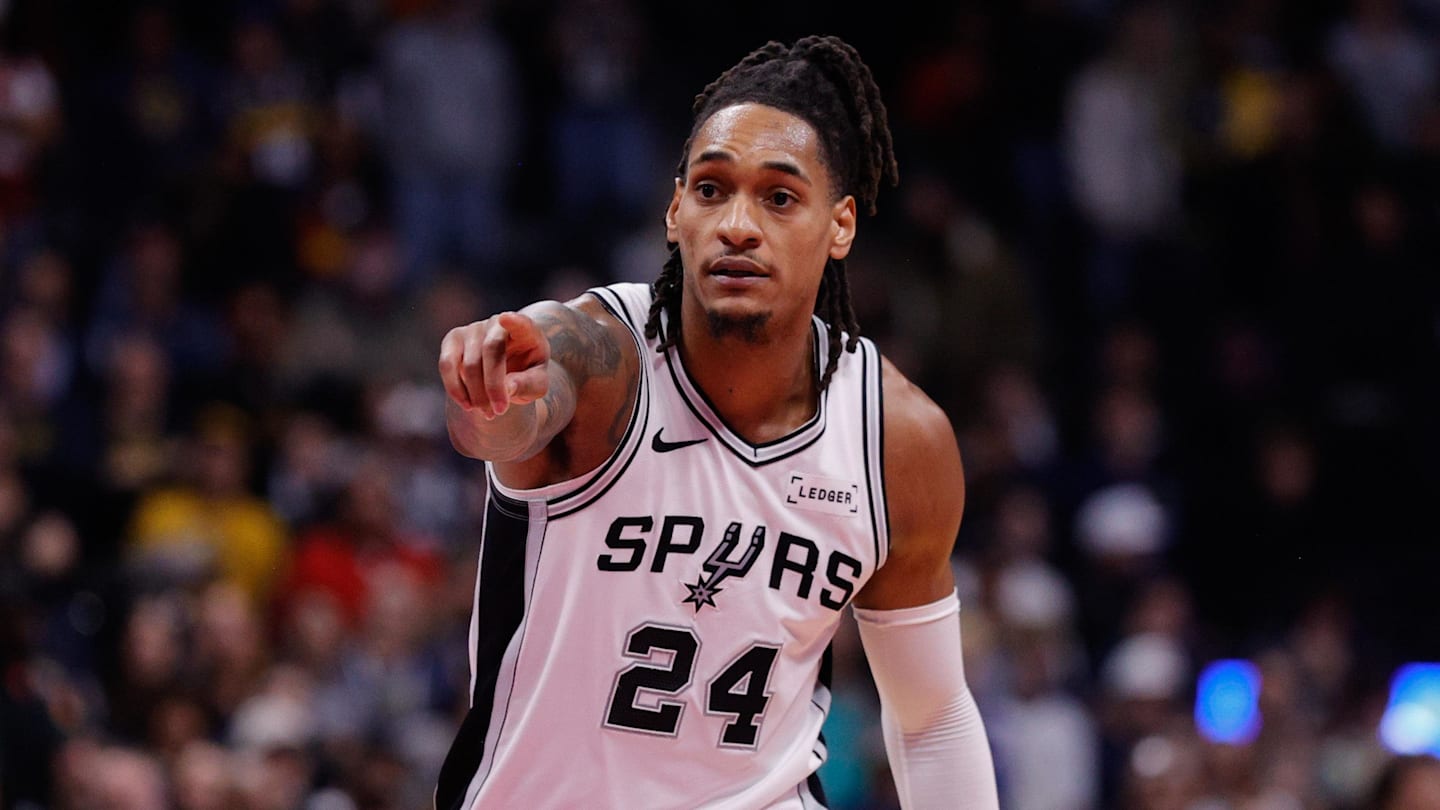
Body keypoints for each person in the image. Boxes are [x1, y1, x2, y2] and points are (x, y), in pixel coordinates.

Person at [434, 35, 999, 809]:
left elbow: (932, 719)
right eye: (711, 189)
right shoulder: (604, 357)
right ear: (676, 212)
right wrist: (488, 396)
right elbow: (509, 419)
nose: (738, 224)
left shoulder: (896, 439)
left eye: (779, 198)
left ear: (840, 226)